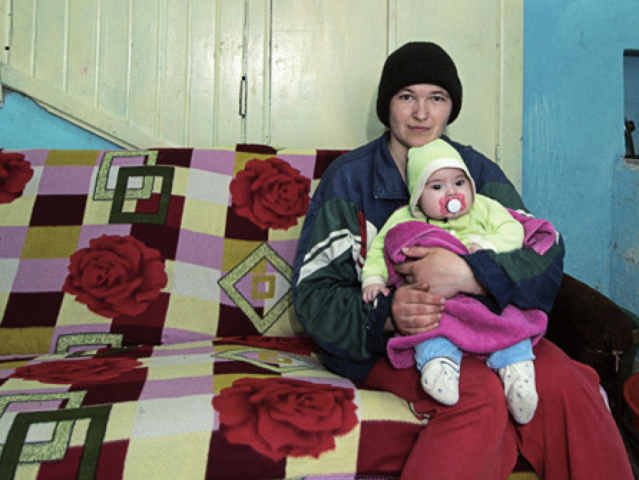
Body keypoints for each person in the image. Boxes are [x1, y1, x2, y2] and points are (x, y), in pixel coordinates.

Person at [293, 41, 633, 479]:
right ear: (386, 106)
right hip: (396, 345)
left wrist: (473, 275)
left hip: (488, 329)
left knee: (569, 385)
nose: (421, 113)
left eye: (436, 98)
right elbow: (314, 298)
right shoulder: (349, 180)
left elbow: (543, 256)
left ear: (451, 107)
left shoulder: (477, 174)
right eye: (406, 97)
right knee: (478, 397)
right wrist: (389, 315)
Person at [361, 139, 549, 424]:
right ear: (417, 197)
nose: (452, 192)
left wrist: (487, 246)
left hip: (484, 296)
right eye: (437, 186)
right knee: (428, 324)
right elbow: (380, 248)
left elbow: (512, 231)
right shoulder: (405, 219)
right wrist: (374, 279)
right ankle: (439, 365)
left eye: (459, 183)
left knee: (511, 320)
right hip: (440, 301)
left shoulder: (484, 207)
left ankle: (518, 374)